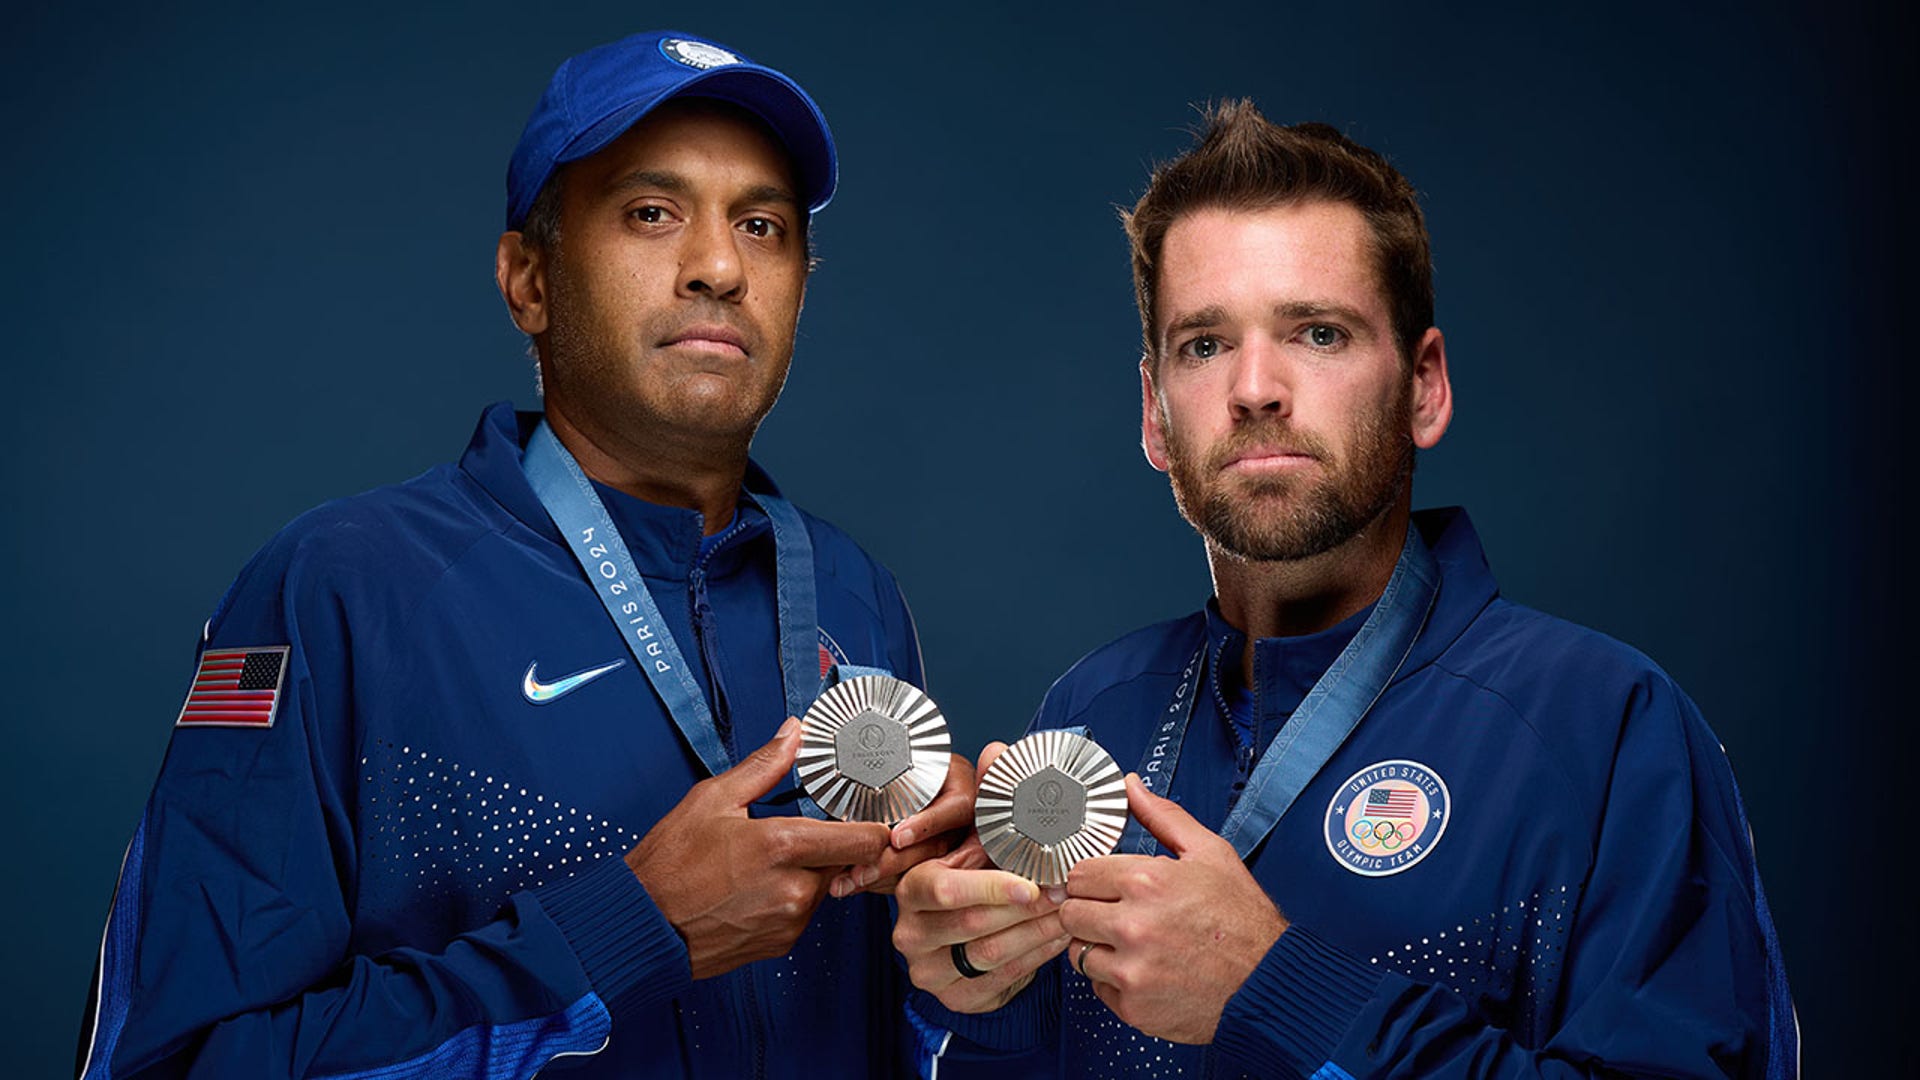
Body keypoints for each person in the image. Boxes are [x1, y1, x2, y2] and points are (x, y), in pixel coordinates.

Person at [76, 29, 973, 1079]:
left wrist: (966, 962)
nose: (721, 267)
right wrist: (620, 932)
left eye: (763, 225)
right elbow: (175, 1062)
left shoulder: (857, 599)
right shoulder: (341, 589)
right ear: (529, 281)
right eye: (652, 213)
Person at [892, 102, 1796, 1079]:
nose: (1255, 387)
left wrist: (1277, 989)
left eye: (1317, 334)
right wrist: (989, 997)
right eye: (1204, 345)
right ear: (1155, 418)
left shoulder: (1604, 725)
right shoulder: (1093, 713)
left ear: (1425, 387)